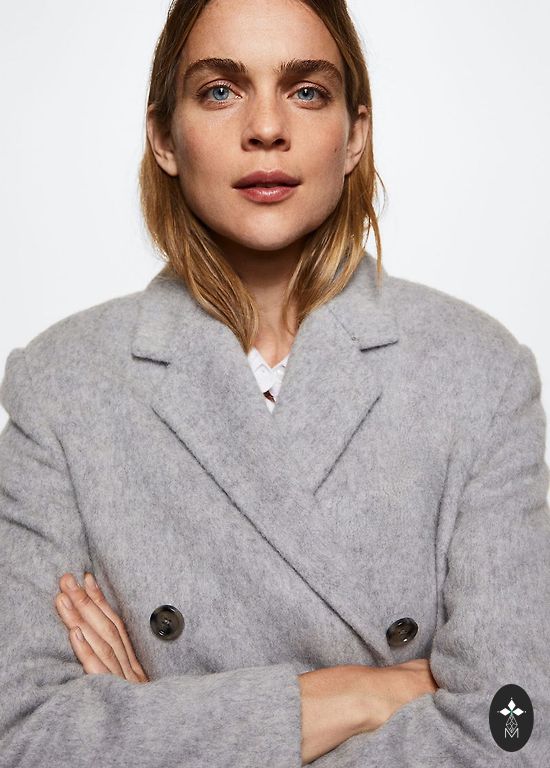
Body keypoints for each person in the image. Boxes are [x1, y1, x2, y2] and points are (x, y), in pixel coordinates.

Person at [1, 0, 549, 766]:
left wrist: (160, 728)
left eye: (307, 90)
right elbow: (24, 734)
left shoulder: (480, 373)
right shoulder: (60, 387)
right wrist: (355, 694)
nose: (265, 127)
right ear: (164, 136)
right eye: (220, 90)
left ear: (354, 135)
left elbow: (515, 730)